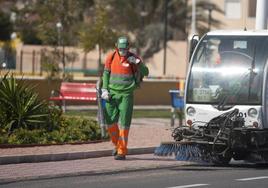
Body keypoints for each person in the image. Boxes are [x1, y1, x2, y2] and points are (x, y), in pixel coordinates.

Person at [101, 36, 149, 160]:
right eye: (120, 48)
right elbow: (106, 74)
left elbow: (146, 72)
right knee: (110, 121)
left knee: (124, 123)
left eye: (125, 48)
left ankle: (122, 151)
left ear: (128, 47)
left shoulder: (133, 58)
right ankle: (117, 145)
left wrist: (138, 63)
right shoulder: (110, 57)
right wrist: (104, 89)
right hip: (111, 94)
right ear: (116, 46)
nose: (123, 51)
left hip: (126, 95)